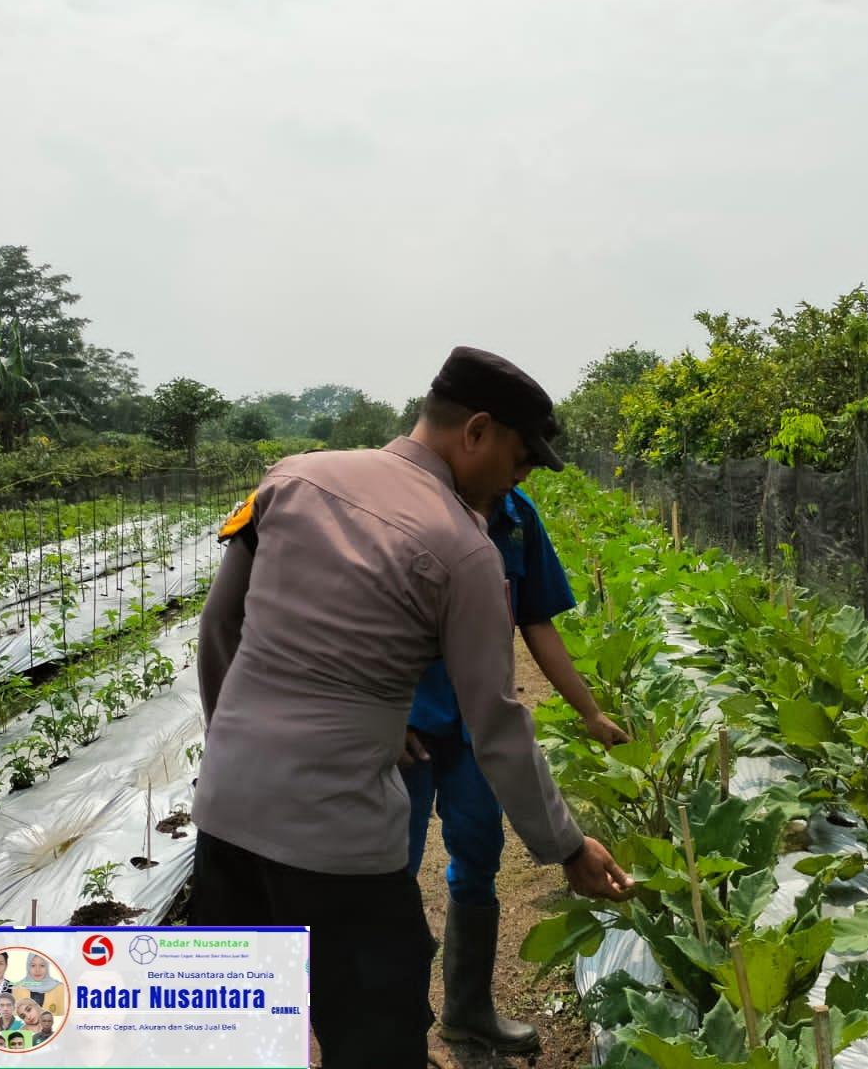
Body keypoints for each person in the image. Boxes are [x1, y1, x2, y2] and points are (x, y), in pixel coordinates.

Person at [192, 347, 632, 1069]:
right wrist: (567, 846)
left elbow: (219, 629)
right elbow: (495, 724)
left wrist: (234, 749)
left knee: (243, 1028)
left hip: (226, 814)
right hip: (334, 838)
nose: (520, 479)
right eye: (521, 459)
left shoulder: (295, 476)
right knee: (379, 1030)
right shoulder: (462, 548)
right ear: (478, 432)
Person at [401, 484, 626, 1053]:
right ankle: (397, 1032)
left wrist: (591, 712)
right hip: (403, 729)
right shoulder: (404, 504)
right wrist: (378, 709)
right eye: (519, 456)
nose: (522, 472)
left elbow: (536, 620)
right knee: (388, 876)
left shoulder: (516, 514)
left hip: (477, 724)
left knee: (478, 856)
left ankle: (468, 1011)